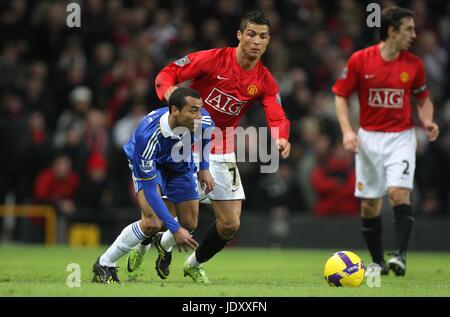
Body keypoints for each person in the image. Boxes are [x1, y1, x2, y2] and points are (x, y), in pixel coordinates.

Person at [126, 10, 291, 284]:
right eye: (250, 34)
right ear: (239, 35)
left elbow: (277, 113)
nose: (256, 41)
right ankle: (143, 246)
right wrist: (172, 97)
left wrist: (280, 136)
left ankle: (191, 262)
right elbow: (168, 74)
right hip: (185, 141)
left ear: (268, 41)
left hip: (222, 146)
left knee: (230, 224)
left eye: (263, 36)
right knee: (169, 212)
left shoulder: (264, 80)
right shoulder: (213, 59)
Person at [332, 7, 439, 276]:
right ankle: (378, 262)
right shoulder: (360, 60)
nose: (414, 35)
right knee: (369, 203)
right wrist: (347, 131)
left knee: (398, 192)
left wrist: (426, 121)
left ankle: (400, 256)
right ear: (392, 31)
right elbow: (340, 95)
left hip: (401, 137)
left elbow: (423, 99)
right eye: (409, 29)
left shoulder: (414, 64)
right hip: (368, 139)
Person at [92, 87, 214, 284]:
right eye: (193, 110)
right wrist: (174, 228)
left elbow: (207, 133)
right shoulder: (147, 137)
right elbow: (151, 192)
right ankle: (104, 264)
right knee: (152, 222)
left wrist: (204, 168)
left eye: (200, 109)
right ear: (175, 111)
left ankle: (160, 243)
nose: (199, 115)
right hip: (151, 163)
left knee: (190, 223)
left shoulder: (201, 120)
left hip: (179, 162)